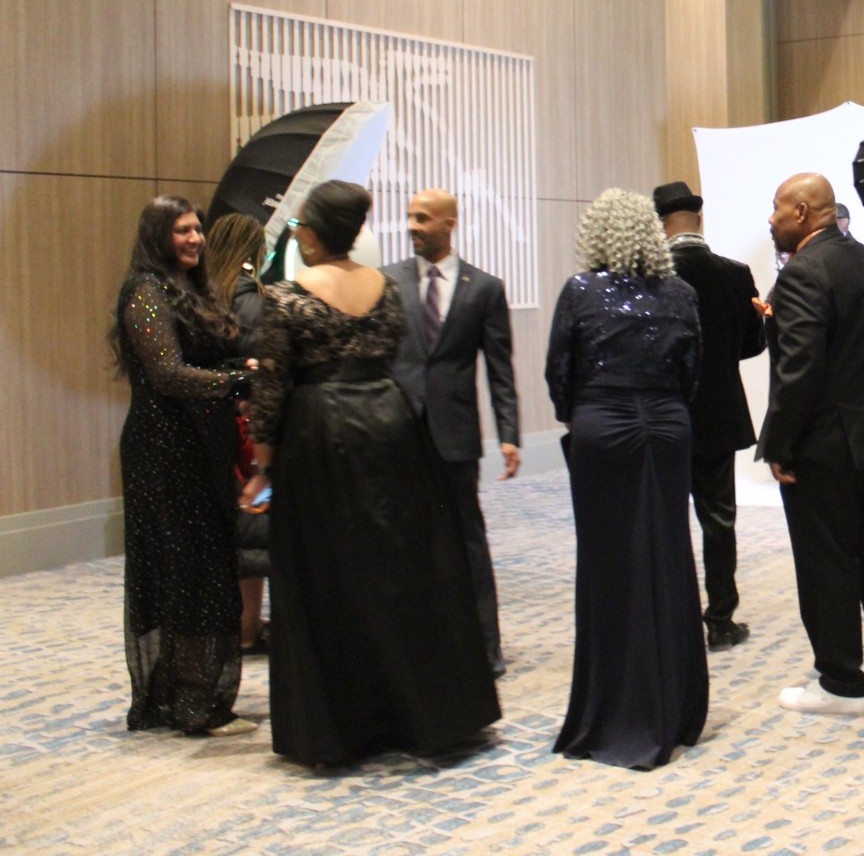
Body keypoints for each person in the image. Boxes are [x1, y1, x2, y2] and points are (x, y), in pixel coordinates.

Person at [242, 180, 499, 767]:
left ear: (313, 235)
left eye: (300, 226)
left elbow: (271, 389)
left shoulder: (286, 296)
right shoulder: (386, 287)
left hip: (321, 434)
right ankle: (414, 710)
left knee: (329, 575)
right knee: (399, 568)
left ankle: (342, 723)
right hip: (390, 427)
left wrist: (261, 467)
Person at [546, 189, 706, 767]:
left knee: (608, 564)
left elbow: (559, 373)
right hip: (666, 427)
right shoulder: (681, 294)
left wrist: (585, 414)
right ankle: (674, 705)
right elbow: (692, 373)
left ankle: (610, 710)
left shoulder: (580, 291)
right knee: (668, 555)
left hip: (602, 429)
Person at [760, 172, 864, 715]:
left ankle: (840, 683)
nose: (771, 219)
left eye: (777, 208)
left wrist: (779, 444)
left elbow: (799, 371)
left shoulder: (802, 272)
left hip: (827, 443)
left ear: (802, 212)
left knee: (825, 558)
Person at [113, 196, 256, 737]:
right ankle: (191, 703)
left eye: (197, 229)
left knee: (204, 566)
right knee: (185, 571)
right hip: (164, 450)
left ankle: (189, 694)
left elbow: (199, 360)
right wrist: (240, 381)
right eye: (181, 230)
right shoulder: (145, 291)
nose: (195, 238)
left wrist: (236, 365)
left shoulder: (190, 288)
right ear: (158, 236)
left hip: (200, 445)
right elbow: (168, 374)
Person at [383, 189, 520, 678]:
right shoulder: (387, 282)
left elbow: (499, 367)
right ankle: (415, 643)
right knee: (403, 542)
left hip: (455, 434)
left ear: (449, 223)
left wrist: (509, 432)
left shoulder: (483, 288)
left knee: (466, 541)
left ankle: (485, 645)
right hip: (398, 430)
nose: (412, 226)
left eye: (423, 218)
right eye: (409, 218)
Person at [654, 180, 766, 651]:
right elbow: (754, 344)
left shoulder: (651, 277)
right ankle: (720, 620)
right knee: (719, 519)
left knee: (666, 520)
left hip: (664, 415)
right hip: (720, 412)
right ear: (699, 220)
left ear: (660, 225)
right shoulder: (735, 274)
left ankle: (671, 620)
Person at [203, 210, 272, 656]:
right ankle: (246, 629)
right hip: (246, 430)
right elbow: (262, 372)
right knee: (253, 526)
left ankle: (231, 625)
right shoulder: (253, 299)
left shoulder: (203, 296)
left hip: (209, 426)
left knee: (224, 529)